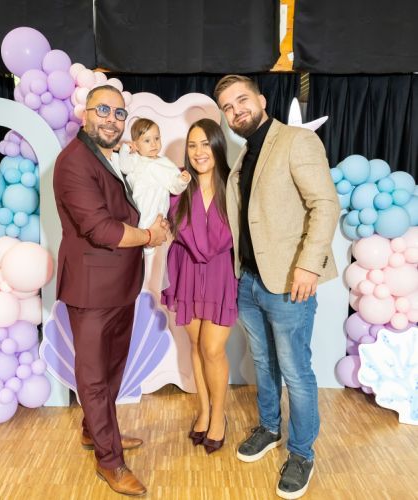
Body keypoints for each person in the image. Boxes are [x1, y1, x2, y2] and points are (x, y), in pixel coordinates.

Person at [214, 75, 340, 499]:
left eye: (242, 100)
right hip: (249, 281)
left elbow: (325, 204)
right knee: (263, 364)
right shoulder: (245, 154)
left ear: (262, 100)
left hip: (289, 283)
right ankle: (269, 428)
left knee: (296, 372)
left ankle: (301, 453)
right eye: (228, 107)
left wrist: (308, 265)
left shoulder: (296, 141)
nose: (236, 110)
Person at [53, 84, 168, 497]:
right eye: (103, 110)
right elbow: (101, 229)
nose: (111, 119)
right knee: (94, 377)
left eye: (119, 114)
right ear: (85, 113)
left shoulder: (108, 156)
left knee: (114, 368)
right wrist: (150, 236)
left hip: (121, 285)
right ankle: (110, 461)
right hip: (91, 289)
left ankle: (94, 431)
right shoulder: (73, 162)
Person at [161, 118, 238, 455]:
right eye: (192, 145)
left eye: (205, 144)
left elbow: (229, 235)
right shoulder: (178, 185)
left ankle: (219, 415)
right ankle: (204, 411)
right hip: (187, 271)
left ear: (217, 145)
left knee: (212, 349)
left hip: (221, 273)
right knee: (194, 344)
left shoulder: (233, 185)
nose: (198, 151)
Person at [119, 118, 191, 255]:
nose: (153, 144)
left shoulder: (165, 163)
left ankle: (148, 251)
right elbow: (124, 167)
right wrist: (125, 149)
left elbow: (174, 185)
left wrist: (182, 180)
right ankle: (141, 252)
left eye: (157, 138)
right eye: (147, 140)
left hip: (158, 208)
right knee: (141, 230)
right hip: (140, 204)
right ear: (136, 145)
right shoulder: (135, 159)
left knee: (156, 234)